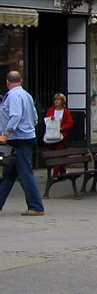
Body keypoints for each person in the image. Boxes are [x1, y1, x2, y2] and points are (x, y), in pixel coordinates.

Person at [0, 71, 45, 215]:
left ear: (7, 82)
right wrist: (30, 127)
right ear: (20, 81)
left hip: (18, 139)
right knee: (10, 173)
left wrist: (5, 134)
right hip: (26, 136)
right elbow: (35, 116)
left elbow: (15, 115)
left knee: (25, 173)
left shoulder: (13, 96)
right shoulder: (26, 95)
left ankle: (36, 206)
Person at [45, 93, 74, 178]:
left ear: (62, 101)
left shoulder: (65, 111)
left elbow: (70, 123)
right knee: (54, 153)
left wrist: (61, 128)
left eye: (58, 100)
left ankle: (55, 174)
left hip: (61, 135)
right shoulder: (51, 110)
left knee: (58, 154)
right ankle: (63, 171)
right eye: (55, 100)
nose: (56, 101)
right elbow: (47, 120)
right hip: (51, 134)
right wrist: (51, 118)